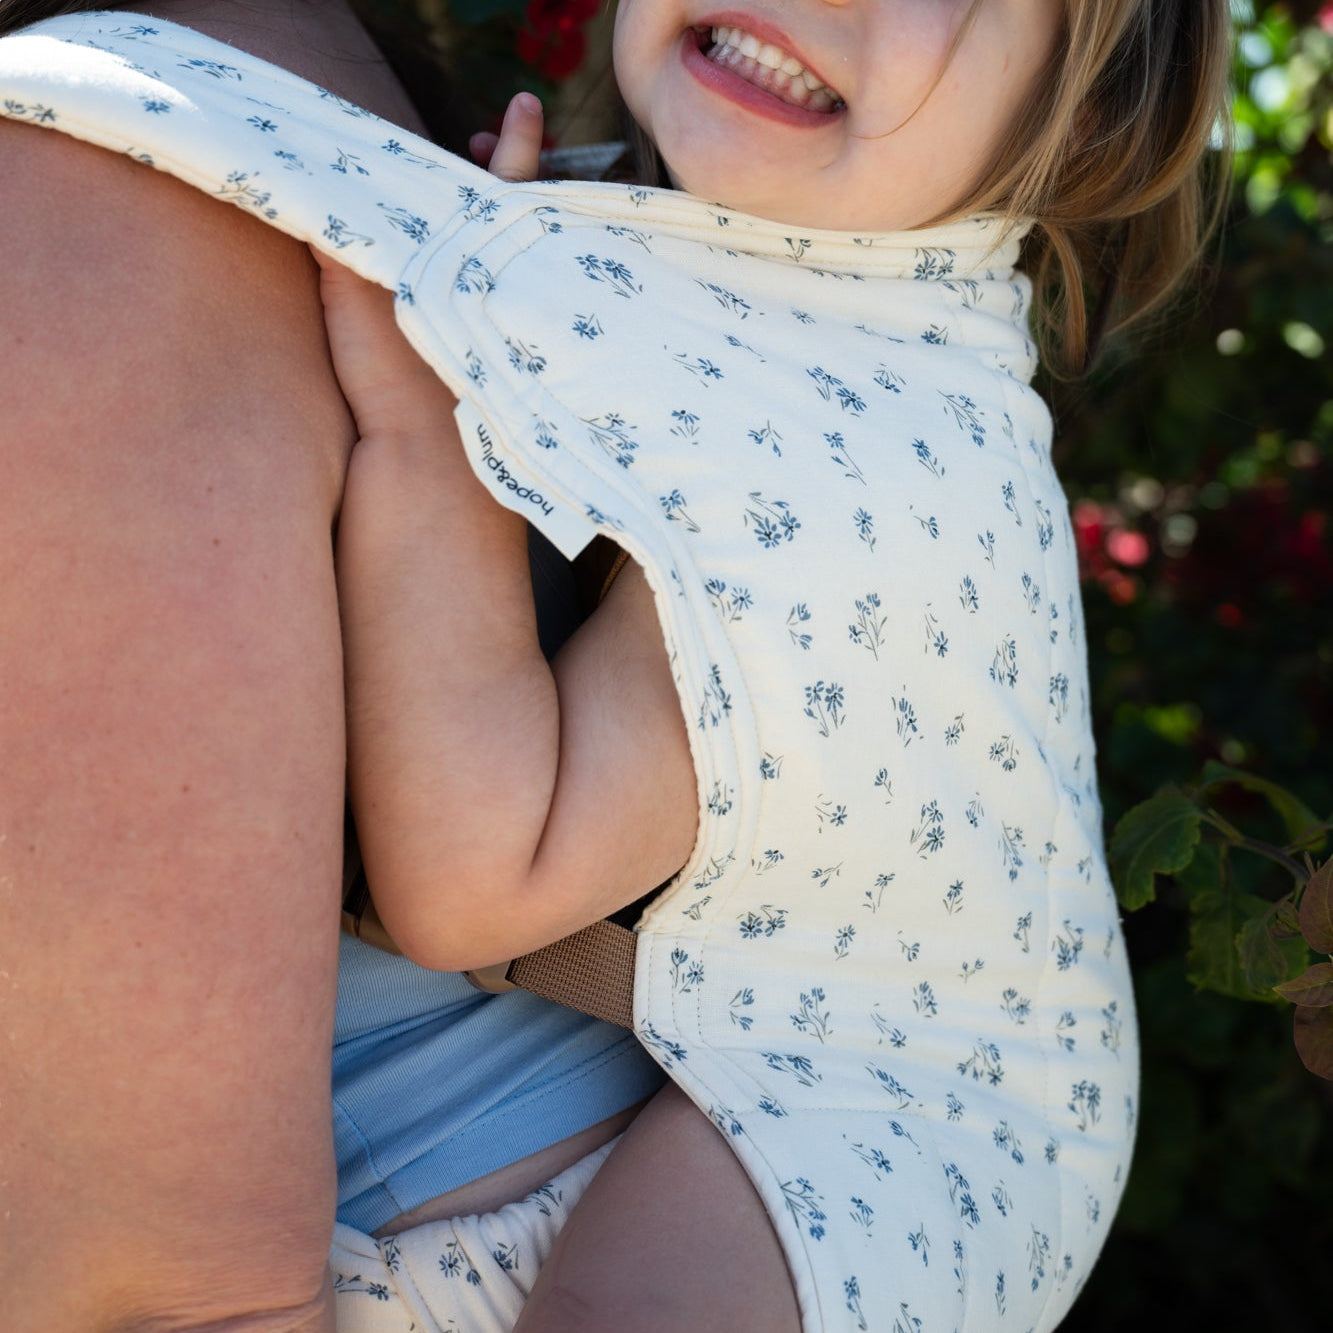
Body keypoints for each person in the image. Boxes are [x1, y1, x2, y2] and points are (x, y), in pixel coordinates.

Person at [0, 3, 1232, 1333]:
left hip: (922, 1114)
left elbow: (481, 874)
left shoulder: (838, 449)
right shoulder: (780, 289)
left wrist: (430, 429)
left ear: (1085, 111)